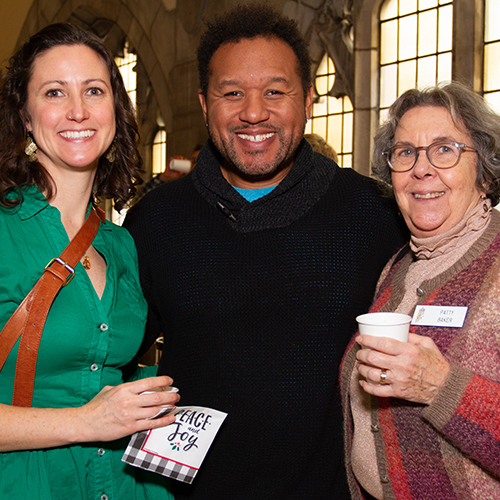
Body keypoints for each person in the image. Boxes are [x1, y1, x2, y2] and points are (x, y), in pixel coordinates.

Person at [124, 4, 407, 498]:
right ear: (204, 102)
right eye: (232, 93)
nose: (254, 112)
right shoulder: (155, 221)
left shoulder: (375, 214)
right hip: (183, 491)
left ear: (309, 99)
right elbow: (111, 354)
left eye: (275, 91)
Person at [0, 23, 180, 500]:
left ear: (115, 112)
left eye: (94, 90)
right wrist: (87, 420)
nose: (78, 110)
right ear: (24, 115)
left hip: (126, 486)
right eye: (55, 92)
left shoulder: (121, 244)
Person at [340, 82, 500, 499]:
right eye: (405, 152)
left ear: (484, 168)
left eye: (445, 149)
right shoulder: (399, 269)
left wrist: (440, 387)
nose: (421, 169)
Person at [138, 144, 202, 200]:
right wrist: (164, 177)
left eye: (195, 162)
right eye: (192, 162)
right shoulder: (180, 192)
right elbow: (141, 205)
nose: (192, 166)